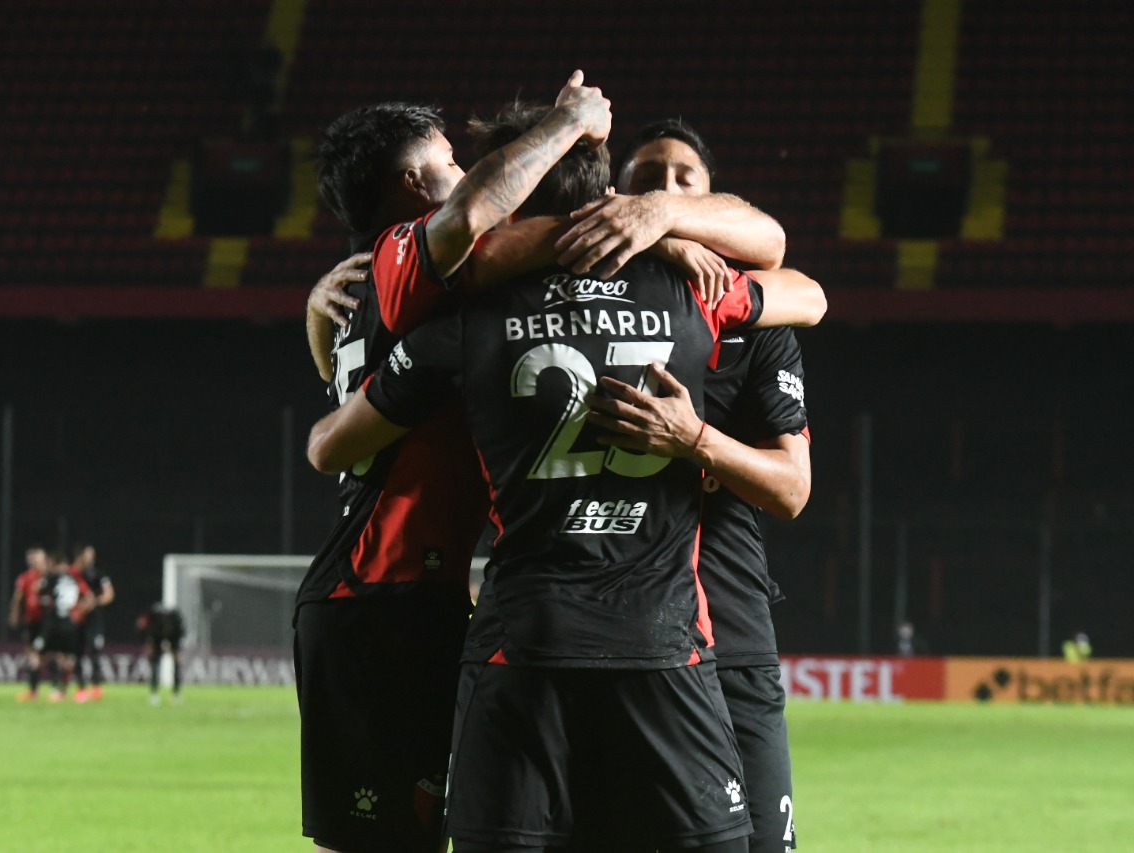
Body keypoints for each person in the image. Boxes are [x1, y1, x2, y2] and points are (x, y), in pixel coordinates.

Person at [308, 100, 823, 853]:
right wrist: (661, 238)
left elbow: (330, 443)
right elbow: (804, 285)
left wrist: (657, 219)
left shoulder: (459, 310)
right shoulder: (695, 299)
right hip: (666, 644)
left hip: (520, 639)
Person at [296, 71, 612, 853]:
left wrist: (312, 318)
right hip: (371, 597)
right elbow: (476, 212)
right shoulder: (405, 253)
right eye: (449, 161)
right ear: (413, 185)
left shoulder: (386, 291)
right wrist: (568, 122)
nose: (468, 174)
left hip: (417, 599)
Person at [579, 119, 813, 853]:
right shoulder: (576, 305)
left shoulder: (757, 321)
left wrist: (696, 440)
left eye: (687, 179)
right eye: (649, 178)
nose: (668, 190)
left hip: (732, 634)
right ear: (614, 193)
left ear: (716, 201)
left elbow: (791, 488)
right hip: (614, 639)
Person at [34, 552, 94, 703]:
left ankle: (56, 689)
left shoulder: (51, 578)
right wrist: (78, 612)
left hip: (56, 623)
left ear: (53, 564)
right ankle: (75, 690)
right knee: (70, 658)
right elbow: (90, 598)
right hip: (72, 623)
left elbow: (38, 592)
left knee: (49, 655)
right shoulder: (75, 578)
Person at [69, 544, 114, 702]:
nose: (91, 558)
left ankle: (96, 688)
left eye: (92, 555)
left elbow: (109, 594)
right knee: (77, 654)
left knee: (95, 652)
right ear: (80, 556)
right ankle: (80, 688)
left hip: (94, 620)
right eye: (88, 554)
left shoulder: (98, 575)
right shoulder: (72, 575)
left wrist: (95, 602)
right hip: (76, 620)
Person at [9, 545, 48, 701]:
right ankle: (33, 691)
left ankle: (59, 689)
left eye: (36, 557)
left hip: (49, 621)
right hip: (32, 622)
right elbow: (18, 597)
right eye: (30, 558)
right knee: (32, 655)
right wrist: (14, 614)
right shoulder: (25, 578)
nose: (32, 561)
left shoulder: (50, 576)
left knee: (54, 655)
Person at [137, 602, 185, 705]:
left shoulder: (176, 619)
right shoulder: (153, 618)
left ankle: (176, 694)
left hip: (174, 637)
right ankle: (154, 693)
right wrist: (148, 645)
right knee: (154, 662)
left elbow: (181, 633)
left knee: (177, 663)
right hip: (156, 636)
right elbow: (142, 628)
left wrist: (177, 650)